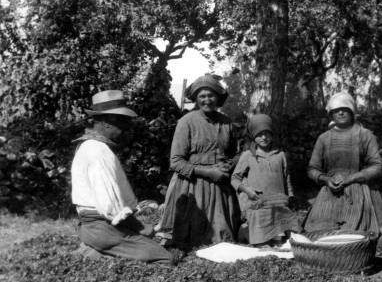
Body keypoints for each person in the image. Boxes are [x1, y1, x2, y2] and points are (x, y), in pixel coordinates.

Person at [71, 90, 174, 264]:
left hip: (92, 226)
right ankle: (96, 253)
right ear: (107, 123)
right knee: (165, 258)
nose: (126, 128)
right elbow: (110, 206)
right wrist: (141, 228)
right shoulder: (99, 151)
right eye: (123, 122)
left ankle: (99, 248)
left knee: (144, 243)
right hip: (101, 228)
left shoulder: (89, 146)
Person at [156, 74, 240, 250]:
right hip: (192, 186)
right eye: (202, 96)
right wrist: (208, 172)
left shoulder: (226, 123)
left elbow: (235, 153)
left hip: (220, 188)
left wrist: (229, 165)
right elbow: (176, 162)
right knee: (193, 239)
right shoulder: (186, 122)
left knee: (223, 241)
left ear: (218, 97)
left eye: (211, 96)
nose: (207, 100)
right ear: (196, 99)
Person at [304, 92, 382, 233]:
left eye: (345, 109)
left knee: (356, 234)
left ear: (352, 111)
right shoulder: (323, 138)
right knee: (319, 232)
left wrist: (351, 178)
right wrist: (326, 179)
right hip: (330, 191)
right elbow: (312, 169)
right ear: (331, 114)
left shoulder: (365, 135)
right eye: (336, 110)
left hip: (359, 190)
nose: (340, 112)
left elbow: (377, 166)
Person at [231, 114, 301, 246]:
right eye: (260, 134)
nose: (264, 137)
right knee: (261, 240)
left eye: (267, 133)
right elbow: (234, 179)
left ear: (272, 135)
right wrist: (247, 190)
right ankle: (246, 232)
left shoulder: (280, 155)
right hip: (259, 201)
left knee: (283, 239)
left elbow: (286, 177)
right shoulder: (248, 155)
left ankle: (275, 236)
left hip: (279, 201)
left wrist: (290, 195)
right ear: (253, 136)